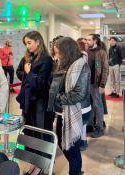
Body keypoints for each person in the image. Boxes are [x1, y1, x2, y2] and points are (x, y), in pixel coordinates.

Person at [48, 37, 90, 175]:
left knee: (71, 147)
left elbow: (78, 95)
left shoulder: (81, 66)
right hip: (64, 111)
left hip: (77, 111)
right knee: (63, 143)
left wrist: (57, 97)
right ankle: (76, 169)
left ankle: (75, 171)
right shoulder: (65, 63)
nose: (57, 55)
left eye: (59, 52)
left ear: (67, 51)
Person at [16, 31, 54, 175]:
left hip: (41, 104)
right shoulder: (28, 57)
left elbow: (42, 84)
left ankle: (42, 166)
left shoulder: (47, 60)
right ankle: (34, 165)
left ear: (38, 41)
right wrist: (27, 73)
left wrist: (30, 73)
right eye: (26, 43)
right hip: (29, 102)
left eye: (29, 43)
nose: (27, 46)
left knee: (41, 134)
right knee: (30, 133)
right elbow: (21, 72)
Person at [87, 34, 109, 138]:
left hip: (96, 84)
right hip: (87, 83)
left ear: (95, 41)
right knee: (89, 105)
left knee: (98, 105)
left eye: (89, 40)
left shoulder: (101, 52)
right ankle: (90, 125)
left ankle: (99, 127)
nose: (87, 41)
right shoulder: (87, 52)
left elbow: (105, 69)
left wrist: (102, 84)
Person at [77, 38, 91, 151]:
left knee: (81, 121)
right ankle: (83, 140)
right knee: (82, 122)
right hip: (83, 95)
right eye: (85, 43)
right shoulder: (83, 56)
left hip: (81, 97)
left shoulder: (82, 56)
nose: (87, 44)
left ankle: (83, 140)